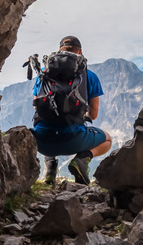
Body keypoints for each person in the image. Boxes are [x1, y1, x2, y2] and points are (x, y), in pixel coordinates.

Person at [31, 36, 112, 185]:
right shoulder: (90, 76)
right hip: (73, 140)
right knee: (107, 139)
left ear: (59, 50)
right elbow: (93, 115)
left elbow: (37, 106)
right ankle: (82, 159)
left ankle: (50, 169)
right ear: (80, 52)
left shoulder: (43, 73)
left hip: (41, 142)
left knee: (45, 121)